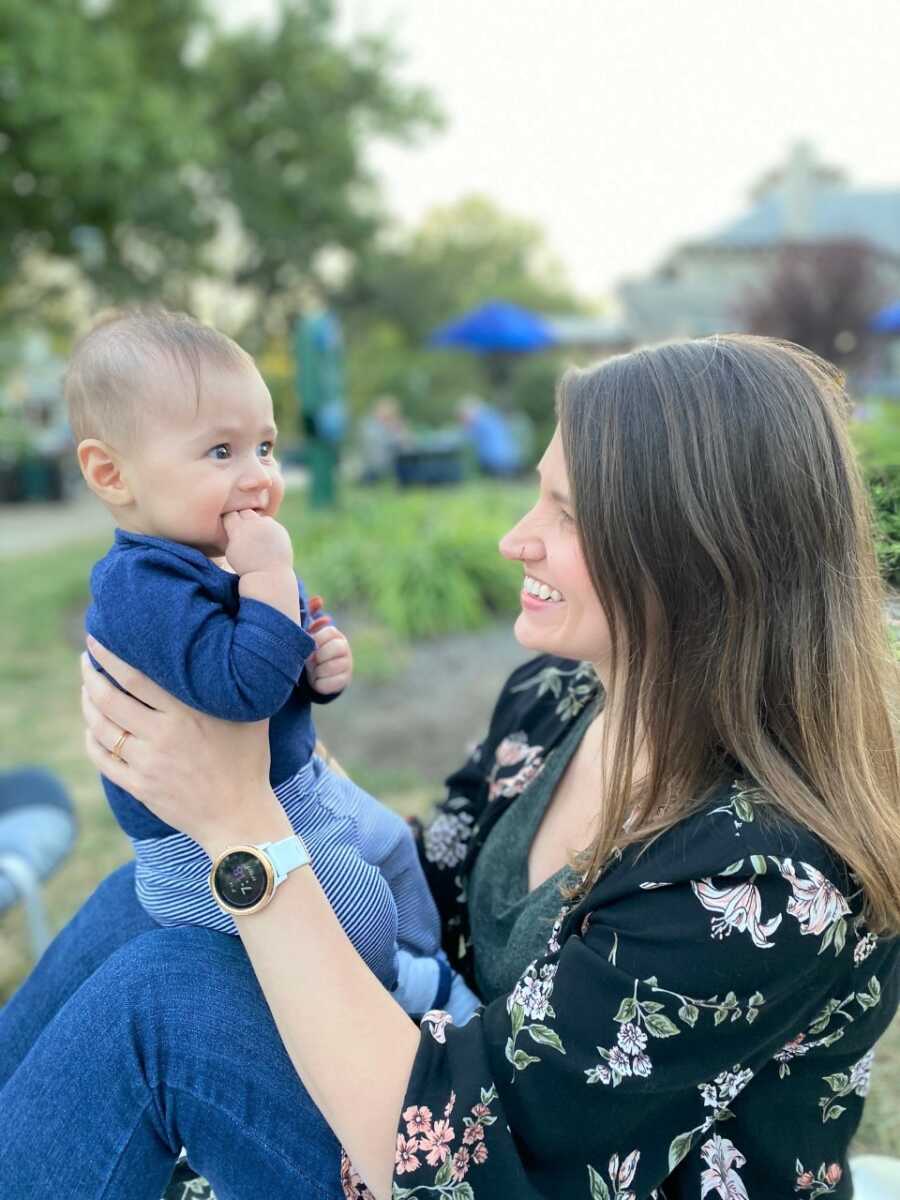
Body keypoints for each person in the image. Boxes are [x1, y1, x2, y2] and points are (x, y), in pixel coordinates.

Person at [1, 334, 898, 1200]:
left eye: (568, 514)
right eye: (535, 495)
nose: (517, 538)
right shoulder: (558, 700)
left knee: (168, 996)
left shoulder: (764, 878)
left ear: (703, 555)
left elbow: (478, 1173)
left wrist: (240, 824)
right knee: (144, 902)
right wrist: (266, 769)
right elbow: (437, 893)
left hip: (471, 1171)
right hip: (429, 1068)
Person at [64, 309, 478, 1018]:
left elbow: (290, 624)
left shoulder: (214, 551)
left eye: (265, 446)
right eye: (220, 453)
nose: (257, 475)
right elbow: (243, 687)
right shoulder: (139, 587)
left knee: (393, 848)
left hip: (296, 786)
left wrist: (322, 648)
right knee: (355, 910)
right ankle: (399, 988)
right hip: (198, 846)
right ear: (113, 473)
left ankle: (425, 965)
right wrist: (267, 578)